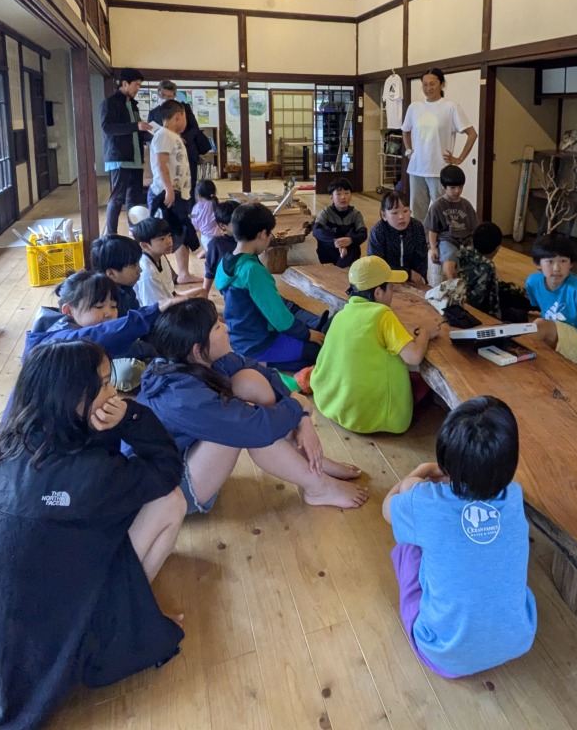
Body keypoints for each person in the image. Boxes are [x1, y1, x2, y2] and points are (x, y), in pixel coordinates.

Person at [0, 341, 186, 729]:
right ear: (72, 397)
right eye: (104, 383)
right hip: (54, 631)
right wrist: (130, 417)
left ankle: (127, 611)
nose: (114, 392)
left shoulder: (17, 442)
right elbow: (167, 468)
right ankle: (128, 620)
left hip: (5, 629)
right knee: (171, 502)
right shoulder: (93, 476)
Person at [137, 299, 367, 513]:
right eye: (216, 327)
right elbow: (256, 429)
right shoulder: (181, 398)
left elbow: (262, 372)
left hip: (182, 459)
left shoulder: (193, 359)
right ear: (197, 349)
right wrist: (298, 407)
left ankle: (310, 458)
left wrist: (303, 418)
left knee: (249, 379)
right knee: (246, 430)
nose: (226, 327)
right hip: (169, 494)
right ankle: (318, 487)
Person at [382, 395, 536, 678]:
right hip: (518, 639)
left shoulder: (425, 502)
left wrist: (415, 476)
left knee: (409, 548)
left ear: (446, 460)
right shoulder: (514, 496)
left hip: (443, 652)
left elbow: (386, 510)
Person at [309, 257, 440, 434]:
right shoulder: (383, 315)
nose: (393, 293)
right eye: (391, 288)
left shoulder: (341, 314)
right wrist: (425, 332)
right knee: (422, 386)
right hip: (367, 416)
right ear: (378, 292)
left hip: (330, 402)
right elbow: (414, 356)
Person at [216, 203, 327, 375]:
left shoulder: (225, 261)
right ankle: (261, 364)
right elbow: (280, 319)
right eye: (270, 234)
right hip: (258, 343)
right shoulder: (252, 271)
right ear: (262, 234)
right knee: (318, 350)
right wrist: (308, 334)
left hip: (238, 336)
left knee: (302, 329)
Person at [22, 270, 164, 362]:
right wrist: (153, 311)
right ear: (69, 310)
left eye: (113, 306)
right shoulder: (58, 340)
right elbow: (98, 335)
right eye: (99, 307)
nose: (109, 313)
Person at [525, 232, 577, 381]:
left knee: (539, 325)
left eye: (563, 261)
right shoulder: (532, 282)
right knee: (533, 329)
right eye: (550, 261)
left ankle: (516, 359)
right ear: (538, 264)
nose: (557, 268)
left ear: (571, 264)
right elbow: (539, 305)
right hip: (555, 334)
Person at [401, 68, 477, 221]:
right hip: (417, 169)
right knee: (418, 213)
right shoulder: (414, 108)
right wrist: (409, 150)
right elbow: (405, 130)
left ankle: (441, 237)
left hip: (439, 170)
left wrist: (459, 159)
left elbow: (472, 134)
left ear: (441, 85)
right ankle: (421, 237)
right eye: (425, 84)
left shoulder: (451, 107)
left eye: (432, 84)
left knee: (442, 213)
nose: (428, 88)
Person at [148, 99, 201, 285]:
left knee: (180, 231)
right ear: (179, 116)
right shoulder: (163, 135)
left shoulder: (172, 135)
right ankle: (194, 252)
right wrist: (169, 189)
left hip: (178, 193)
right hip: (166, 194)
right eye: (185, 116)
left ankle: (183, 273)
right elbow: (161, 164)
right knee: (165, 234)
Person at [99, 68, 153, 235]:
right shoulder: (110, 103)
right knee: (117, 198)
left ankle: (135, 230)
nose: (138, 89)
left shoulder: (133, 105)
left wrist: (155, 134)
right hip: (119, 157)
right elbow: (107, 127)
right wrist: (136, 126)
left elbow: (136, 131)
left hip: (135, 157)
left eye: (139, 85)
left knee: (134, 198)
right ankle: (111, 235)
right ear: (124, 83)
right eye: (136, 85)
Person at [148, 79, 211, 196]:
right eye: (163, 95)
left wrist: (180, 138)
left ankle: (189, 205)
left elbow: (194, 128)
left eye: (169, 96)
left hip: (187, 151)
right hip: (165, 153)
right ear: (158, 94)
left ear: (174, 96)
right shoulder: (153, 113)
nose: (166, 98)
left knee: (189, 186)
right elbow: (150, 133)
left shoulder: (183, 108)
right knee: (166, 181)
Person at [458, 222, 531, 322]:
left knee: (521, 298)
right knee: (520, 316)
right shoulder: (487, 267)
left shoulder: (466, 251)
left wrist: (519, 290)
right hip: (482, 306)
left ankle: (538, 302)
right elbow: (477, 302)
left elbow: (495, 285)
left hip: (481, 295)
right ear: (497, 248)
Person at [424, 165, 478, 281]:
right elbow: (432, 229)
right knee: (449, 259)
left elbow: (474, 227)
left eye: (460, 187)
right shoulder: (437, 205)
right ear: (444, 187)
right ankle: (451, 283)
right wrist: (433, 248)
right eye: (453, 187)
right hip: (448, 240)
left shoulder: (466, 205)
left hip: (466, 240)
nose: (457, 191)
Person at [367, 190, 428, 286]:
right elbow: (376, 264)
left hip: (414, 279)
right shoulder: (378, 231)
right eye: (395, 213)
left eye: (405, 211)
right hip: (386, 280)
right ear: (384, 215)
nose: (401, 217)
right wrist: (407, 273)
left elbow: (421, 259)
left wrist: (419, 277)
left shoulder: (416, 227)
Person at [312, 177, 368, 269]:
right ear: (331, 197)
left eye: (346, 193)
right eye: (338, 194)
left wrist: (350, 240)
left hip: (349, 251)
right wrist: (336, 243)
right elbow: (316, 231)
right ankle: (340, 267)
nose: (343, 197)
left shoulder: (356, 214)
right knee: (325, 231)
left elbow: (363, 234)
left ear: (351, 195)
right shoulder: (326, 213)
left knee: (352, 235)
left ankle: (339, 268)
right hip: (329, 251)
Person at [90, 234, 143, 316]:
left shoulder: (126, 288)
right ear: (111, 274)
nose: (140, 270)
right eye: (133, 266)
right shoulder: (105, 301)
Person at [202, 198, 239, 294]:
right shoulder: (217, 244)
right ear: (222, 226)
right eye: (236, 223)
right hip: (230, 289)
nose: (242, 226)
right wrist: (204, 293)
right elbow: (210, 271)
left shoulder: (249, 239)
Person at [191, 178, 221, 252]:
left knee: (211, 253)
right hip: (219, 235)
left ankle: (206, 252)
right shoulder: (216, 204)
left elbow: (193, 222)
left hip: (206, 237)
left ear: (198, 194)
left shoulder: (196, 207)